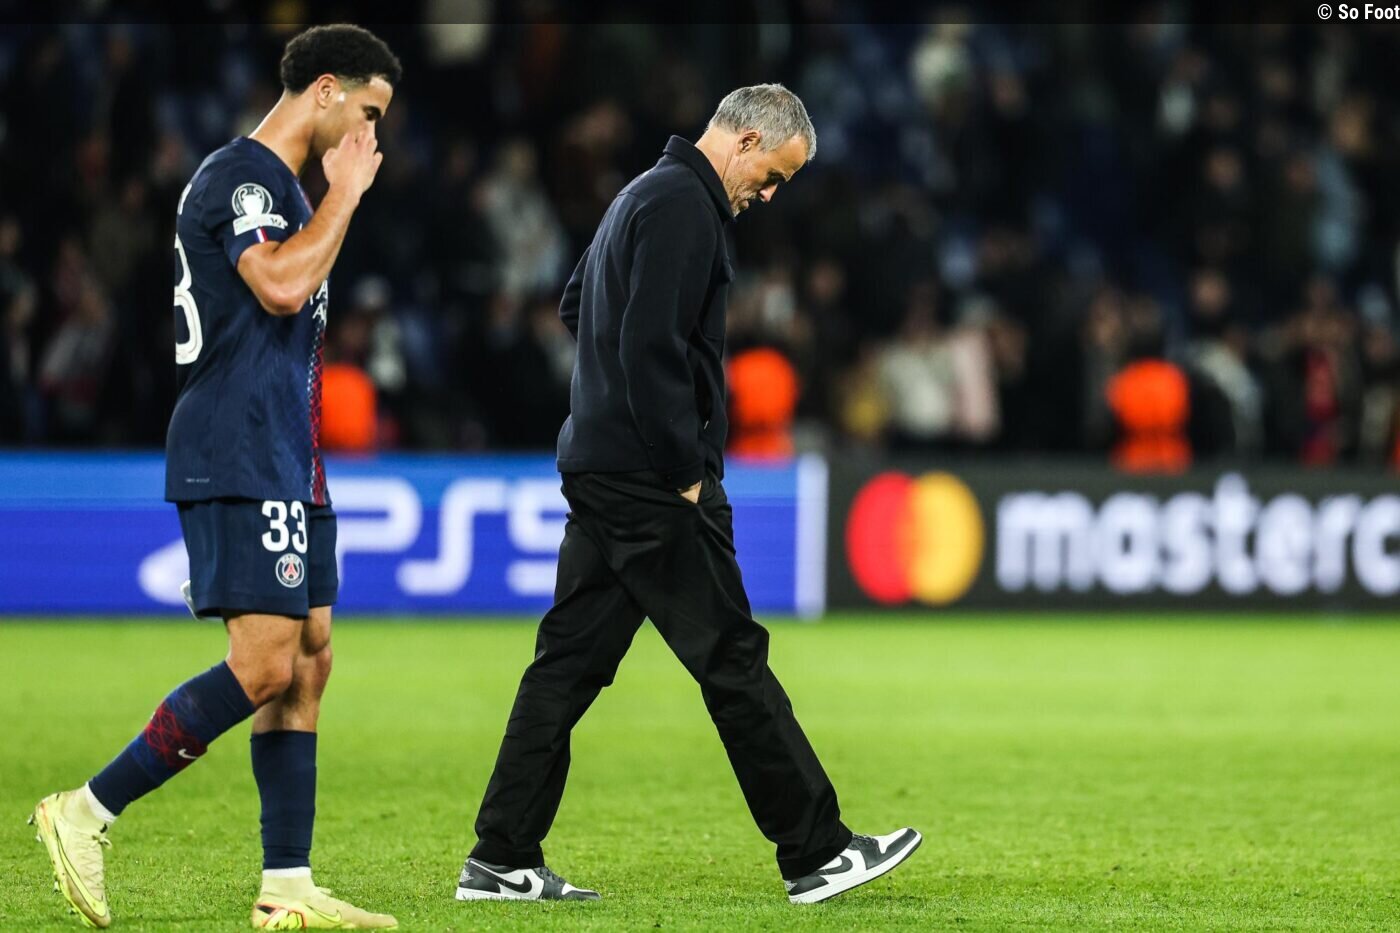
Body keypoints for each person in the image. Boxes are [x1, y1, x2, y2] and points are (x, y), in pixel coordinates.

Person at [454, 84, 920, 907]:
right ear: (746, 141)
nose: (767, 196)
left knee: (566, 667)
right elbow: (649, 344)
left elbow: (578, 305)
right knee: (731, 657)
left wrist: (610, 403)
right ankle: (816, 851)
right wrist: (683, 469)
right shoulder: (684, 207)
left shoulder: (640, 194)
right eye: (771, 177)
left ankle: (501, 856)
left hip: (602, 466)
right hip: (651, 481)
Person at [31, 25, 401, 930]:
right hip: (238, 443)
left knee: (309, 655)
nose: (372, 136)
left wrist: (330, 200)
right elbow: (279, 286)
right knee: (265, 661)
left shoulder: (286, 190)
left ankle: (287, 885)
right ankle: (86, 809)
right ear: (325, 89)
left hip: (290, 450)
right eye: (367, 112)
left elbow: (291, 311)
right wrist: (346, 195)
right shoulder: (242, 178)